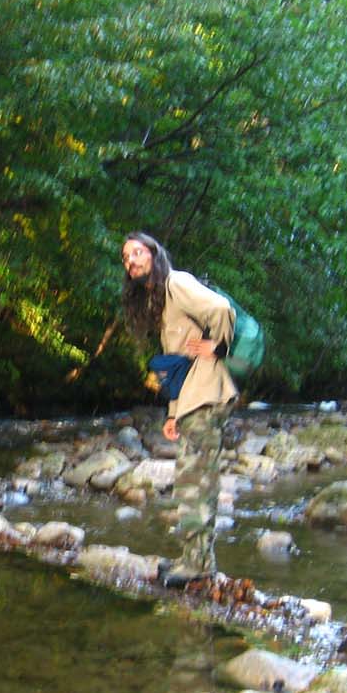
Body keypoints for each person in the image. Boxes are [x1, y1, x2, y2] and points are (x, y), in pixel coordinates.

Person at [120, 231, 238, 586]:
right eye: (126, 259)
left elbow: (221, 309)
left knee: (194, 481)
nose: (132, 262)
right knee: (192, 480)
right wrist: (173, 413)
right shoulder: (160, 299)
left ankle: (199, 564)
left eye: (137, 253)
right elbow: (176, 364)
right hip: (190, 399)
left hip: (207, 395)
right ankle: (195, 559)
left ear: (154, 255)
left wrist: (217, 347)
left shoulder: (176, 284)